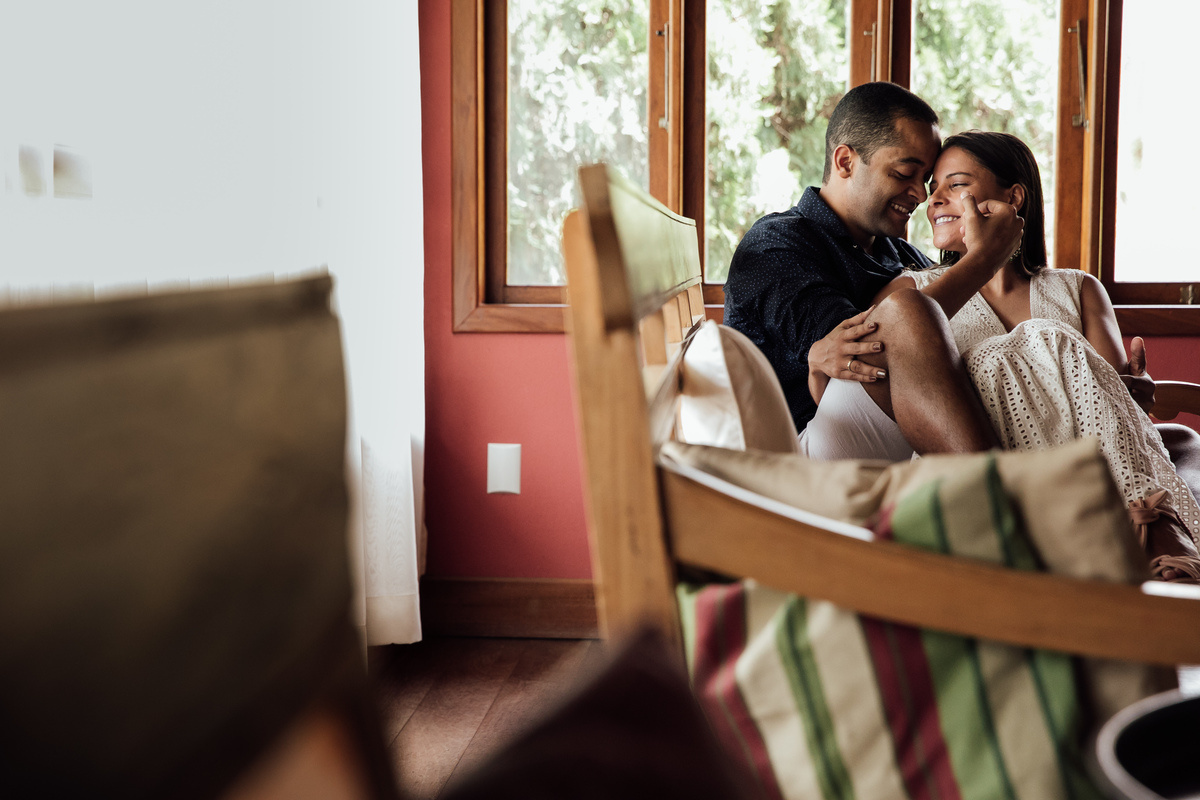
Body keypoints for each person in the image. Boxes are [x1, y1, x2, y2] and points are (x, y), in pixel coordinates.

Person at [876, 130, 1200, 580]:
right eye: (933, 191)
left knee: (1177, 434)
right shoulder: (910, 291)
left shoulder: (1078, 287)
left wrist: (1132, 392)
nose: (935, 201)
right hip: (986, 471)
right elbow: (864, 373)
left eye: (956, 184)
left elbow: (1110, 397)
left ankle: (1138, 525)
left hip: (1088, 471)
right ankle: (1156, 530)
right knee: (1039, 338)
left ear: (1014, 197)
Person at [724, 81, 1024, 461]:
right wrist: (982, 260)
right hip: (797, 453)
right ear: (845, 161)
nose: (921, 194)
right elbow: (868, 354)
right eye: (903, 174)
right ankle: (1004, 500)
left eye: (925, 180)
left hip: (894, 440)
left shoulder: (899, 254)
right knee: (905, 312)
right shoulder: (775, 245)